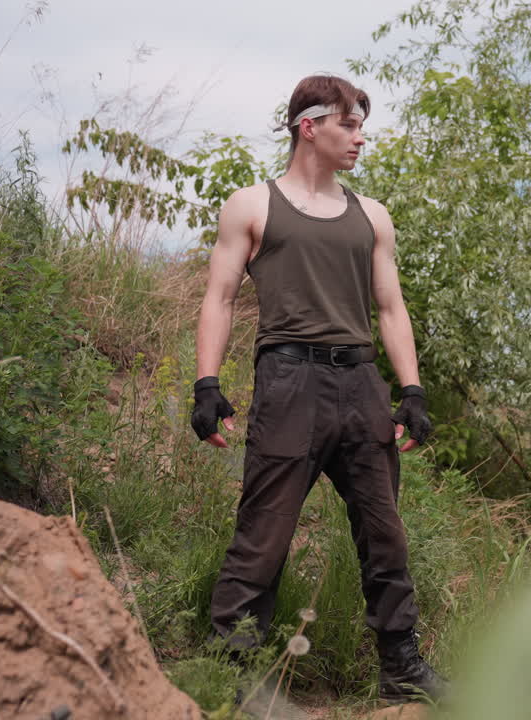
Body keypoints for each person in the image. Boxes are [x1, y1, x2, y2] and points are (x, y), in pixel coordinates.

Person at [190, 74, 445, 705]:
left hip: (359, 382)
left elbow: (390, 307)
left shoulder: (371, 216)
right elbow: (219, 297)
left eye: (361, 125)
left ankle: (402, 670)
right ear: (311, 126)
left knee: (385, 532)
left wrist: (410, 392)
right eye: (350, 125)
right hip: (288, 379)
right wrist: (207, 382)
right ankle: (234, 671)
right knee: (265, 530)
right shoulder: (251, 205)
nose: (361, 138)